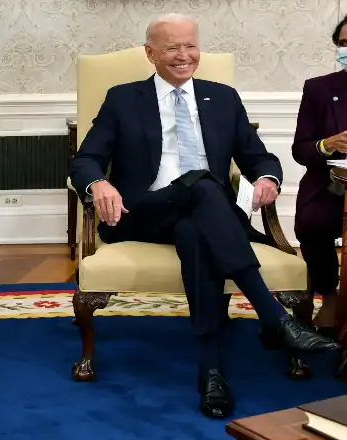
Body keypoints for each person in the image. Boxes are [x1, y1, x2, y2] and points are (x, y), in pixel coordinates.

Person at [69, 14, 339, 419]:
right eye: (172, 48)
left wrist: (267, 178)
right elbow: (86, 159)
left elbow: (259, 156)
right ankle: (273, 316)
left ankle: (211, 371)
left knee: (197, 228)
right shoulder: (123, 98)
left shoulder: (222, 96)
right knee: (203, 183)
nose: (184, 55)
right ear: (150, 54)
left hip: (205, 218)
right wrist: (98, 186)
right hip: (143, 213)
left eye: (190, 46)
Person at [292, 15, 347, 338]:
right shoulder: (320, 88)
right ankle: (329, 295)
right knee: (312, 222)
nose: (346, 49)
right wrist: (327, 145)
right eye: (342, 44)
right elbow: (301, 148)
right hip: (331, 186)